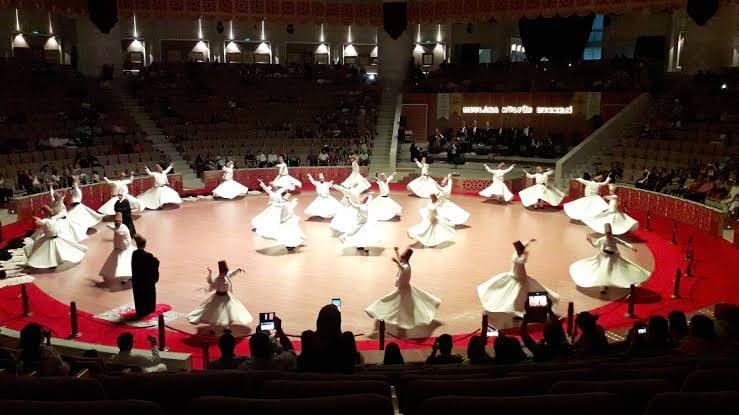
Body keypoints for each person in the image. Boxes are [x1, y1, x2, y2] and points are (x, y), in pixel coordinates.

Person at [476, 240, 560, 320]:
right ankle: (519, 312)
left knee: (525, 295)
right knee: (517, 298)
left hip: (521, 279)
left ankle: (524, 311)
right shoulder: (516, 257)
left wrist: (529, 241)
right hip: (517, 280)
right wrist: (526, 254)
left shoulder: (518, 253)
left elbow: (524, 246)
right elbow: (523, 260)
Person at [365, 247, 441, 329]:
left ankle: (375, 311)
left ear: (404, 259)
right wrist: (396, 252)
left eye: (401, 258)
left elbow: (401, 267)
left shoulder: (406, 267)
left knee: (391, 301)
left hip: (403, 291)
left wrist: (396, 261)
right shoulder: (405, 264)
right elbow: (400, 262)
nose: (400, 259)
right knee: (400, 305)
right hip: (403, 290)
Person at [569, 223, 651, 293]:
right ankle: (603, 286)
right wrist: (590, 242)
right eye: (607, 233)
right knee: (604, 271)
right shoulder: (602, 239)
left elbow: (623, 243)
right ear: (605, 233)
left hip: (613, 257)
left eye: (609, 233)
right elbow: (596, 245)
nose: (608, 235)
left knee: (620, 269)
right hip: (604, 257)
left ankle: (625, 282)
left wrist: (631, 247)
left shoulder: (614, 239)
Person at [187, 261, 251, 334]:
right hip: (218, 297)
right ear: (221, 272)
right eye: (225, 272)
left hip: (226, 297)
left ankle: (226, 327)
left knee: (229, 312)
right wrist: (210, 273)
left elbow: (231, 274)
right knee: (213, 313)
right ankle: (212, 328)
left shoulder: (226, 275)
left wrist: (238, 270)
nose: (226, 273)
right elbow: (211, 282)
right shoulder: (217, 279)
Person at [99, 212, 135, 283]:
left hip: (124, 248)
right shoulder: (117, 227)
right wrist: (110, 226)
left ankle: (125, 277)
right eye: (115, 222)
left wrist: (111, 227)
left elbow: (119, 232)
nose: (116, 223)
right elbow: (115, 228)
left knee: (123, 263)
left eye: (118, 222)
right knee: (114, 262)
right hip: (118, 247)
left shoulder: (124, 228)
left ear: (121, 222)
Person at [131, 235, 160, 318]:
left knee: (139, 295)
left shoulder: (134, 253)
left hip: (137, 280)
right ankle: (148, 309)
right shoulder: (148, 255)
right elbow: (154, 264)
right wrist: (156, 261)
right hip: (146, 281)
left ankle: (140, 310)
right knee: (148, 295)